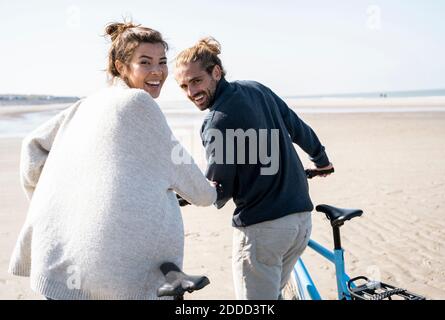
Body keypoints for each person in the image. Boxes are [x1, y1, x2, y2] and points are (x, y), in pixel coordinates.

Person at [8, 22, 217, 300]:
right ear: (121, 67)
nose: (157, 71)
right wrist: (211, 190)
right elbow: (197, 190)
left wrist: (52, 205)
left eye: (162, 62)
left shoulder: (87, 104)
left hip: (57, 260)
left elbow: (31, 147)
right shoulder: (139, 104)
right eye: (145, 62)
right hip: (110, 277)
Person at [174, 37, 334, 300]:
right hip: (301, 221)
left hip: (263, 229)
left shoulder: (216, 122)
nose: (191, 92)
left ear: (216, 72)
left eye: (196, 81)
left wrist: (182, 195)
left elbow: (219, 190)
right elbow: (297, 127)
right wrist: (321, 160)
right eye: (183, 86)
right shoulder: (257, 89)